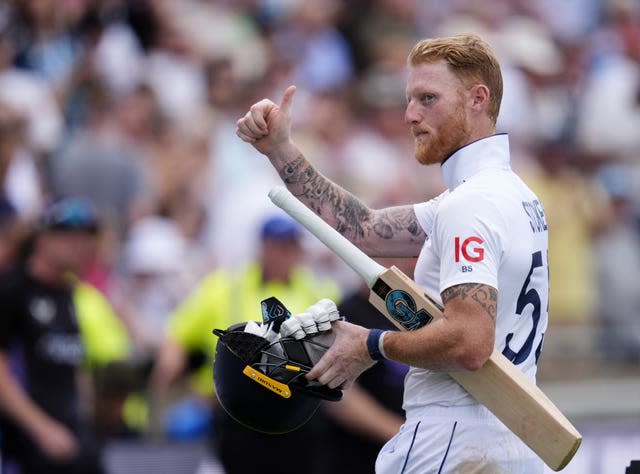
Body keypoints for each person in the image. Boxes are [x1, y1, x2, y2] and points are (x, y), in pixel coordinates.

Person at [236, 33, 548, 472]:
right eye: (409, 99)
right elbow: (362, 229)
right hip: (512, 437)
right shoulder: (514, 196)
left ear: (478, 99)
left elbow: (469, 342)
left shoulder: (469, 205)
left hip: (455, 439)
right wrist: (280, 149)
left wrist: (370, 344)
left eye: (428, 98)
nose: (409, 115)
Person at [150, 213, 341, 474]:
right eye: (275, 246)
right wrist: (169, 372)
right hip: (235, 409)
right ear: (262, 247)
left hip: (298, 412)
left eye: (288, 247)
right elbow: (180, 331)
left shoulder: (321, 291)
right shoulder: (224, 287)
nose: (281, 255)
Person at [0, 197, 129, 474]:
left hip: (72, 440)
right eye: (70, 237)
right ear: (43, 238)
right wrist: (41, 429)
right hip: (25, 445)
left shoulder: (70, 293)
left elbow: (71, 367)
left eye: (87, 238)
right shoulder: (12, 290)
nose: (80, 246)